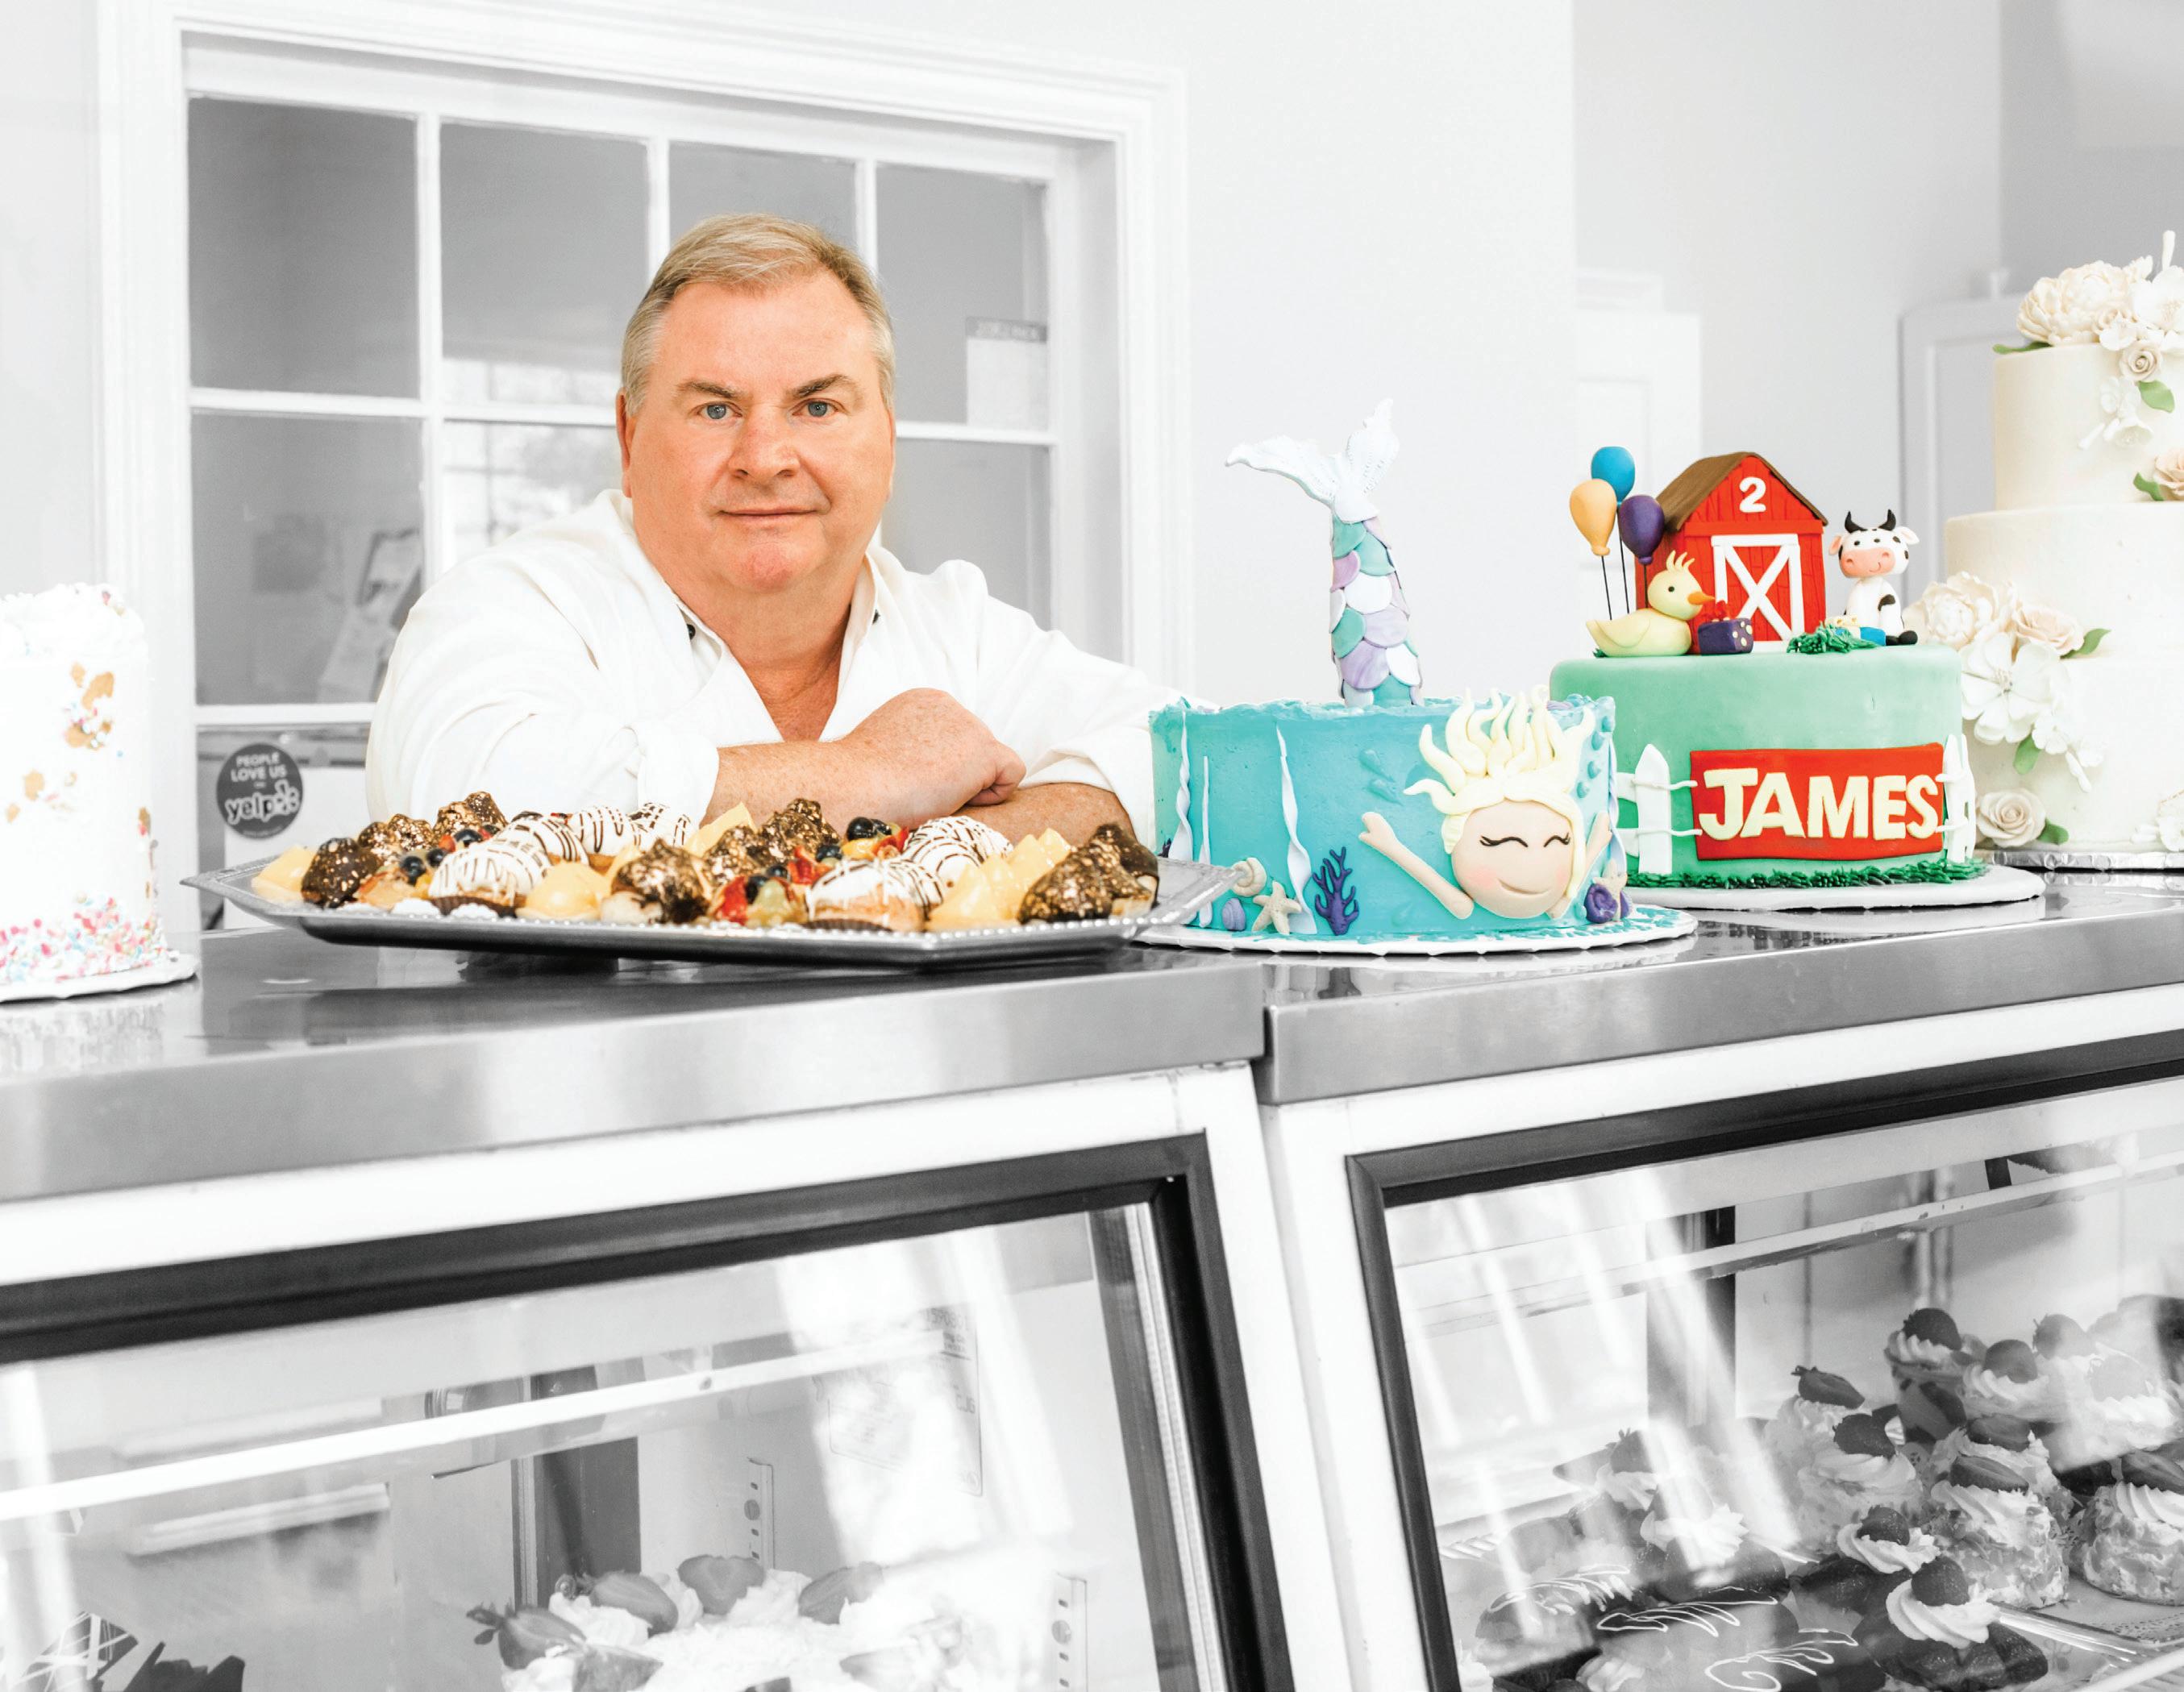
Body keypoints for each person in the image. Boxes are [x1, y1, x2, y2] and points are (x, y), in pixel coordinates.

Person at [367, 214, 1172, 842]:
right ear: (629, 437)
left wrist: (952, 845)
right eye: (715, 409)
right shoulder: (509, 602)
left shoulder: (955, 625)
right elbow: (459, 797)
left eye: (817, 407)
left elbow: (1190, 759)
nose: (765, 458)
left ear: (888, 442)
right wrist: (862, 776)